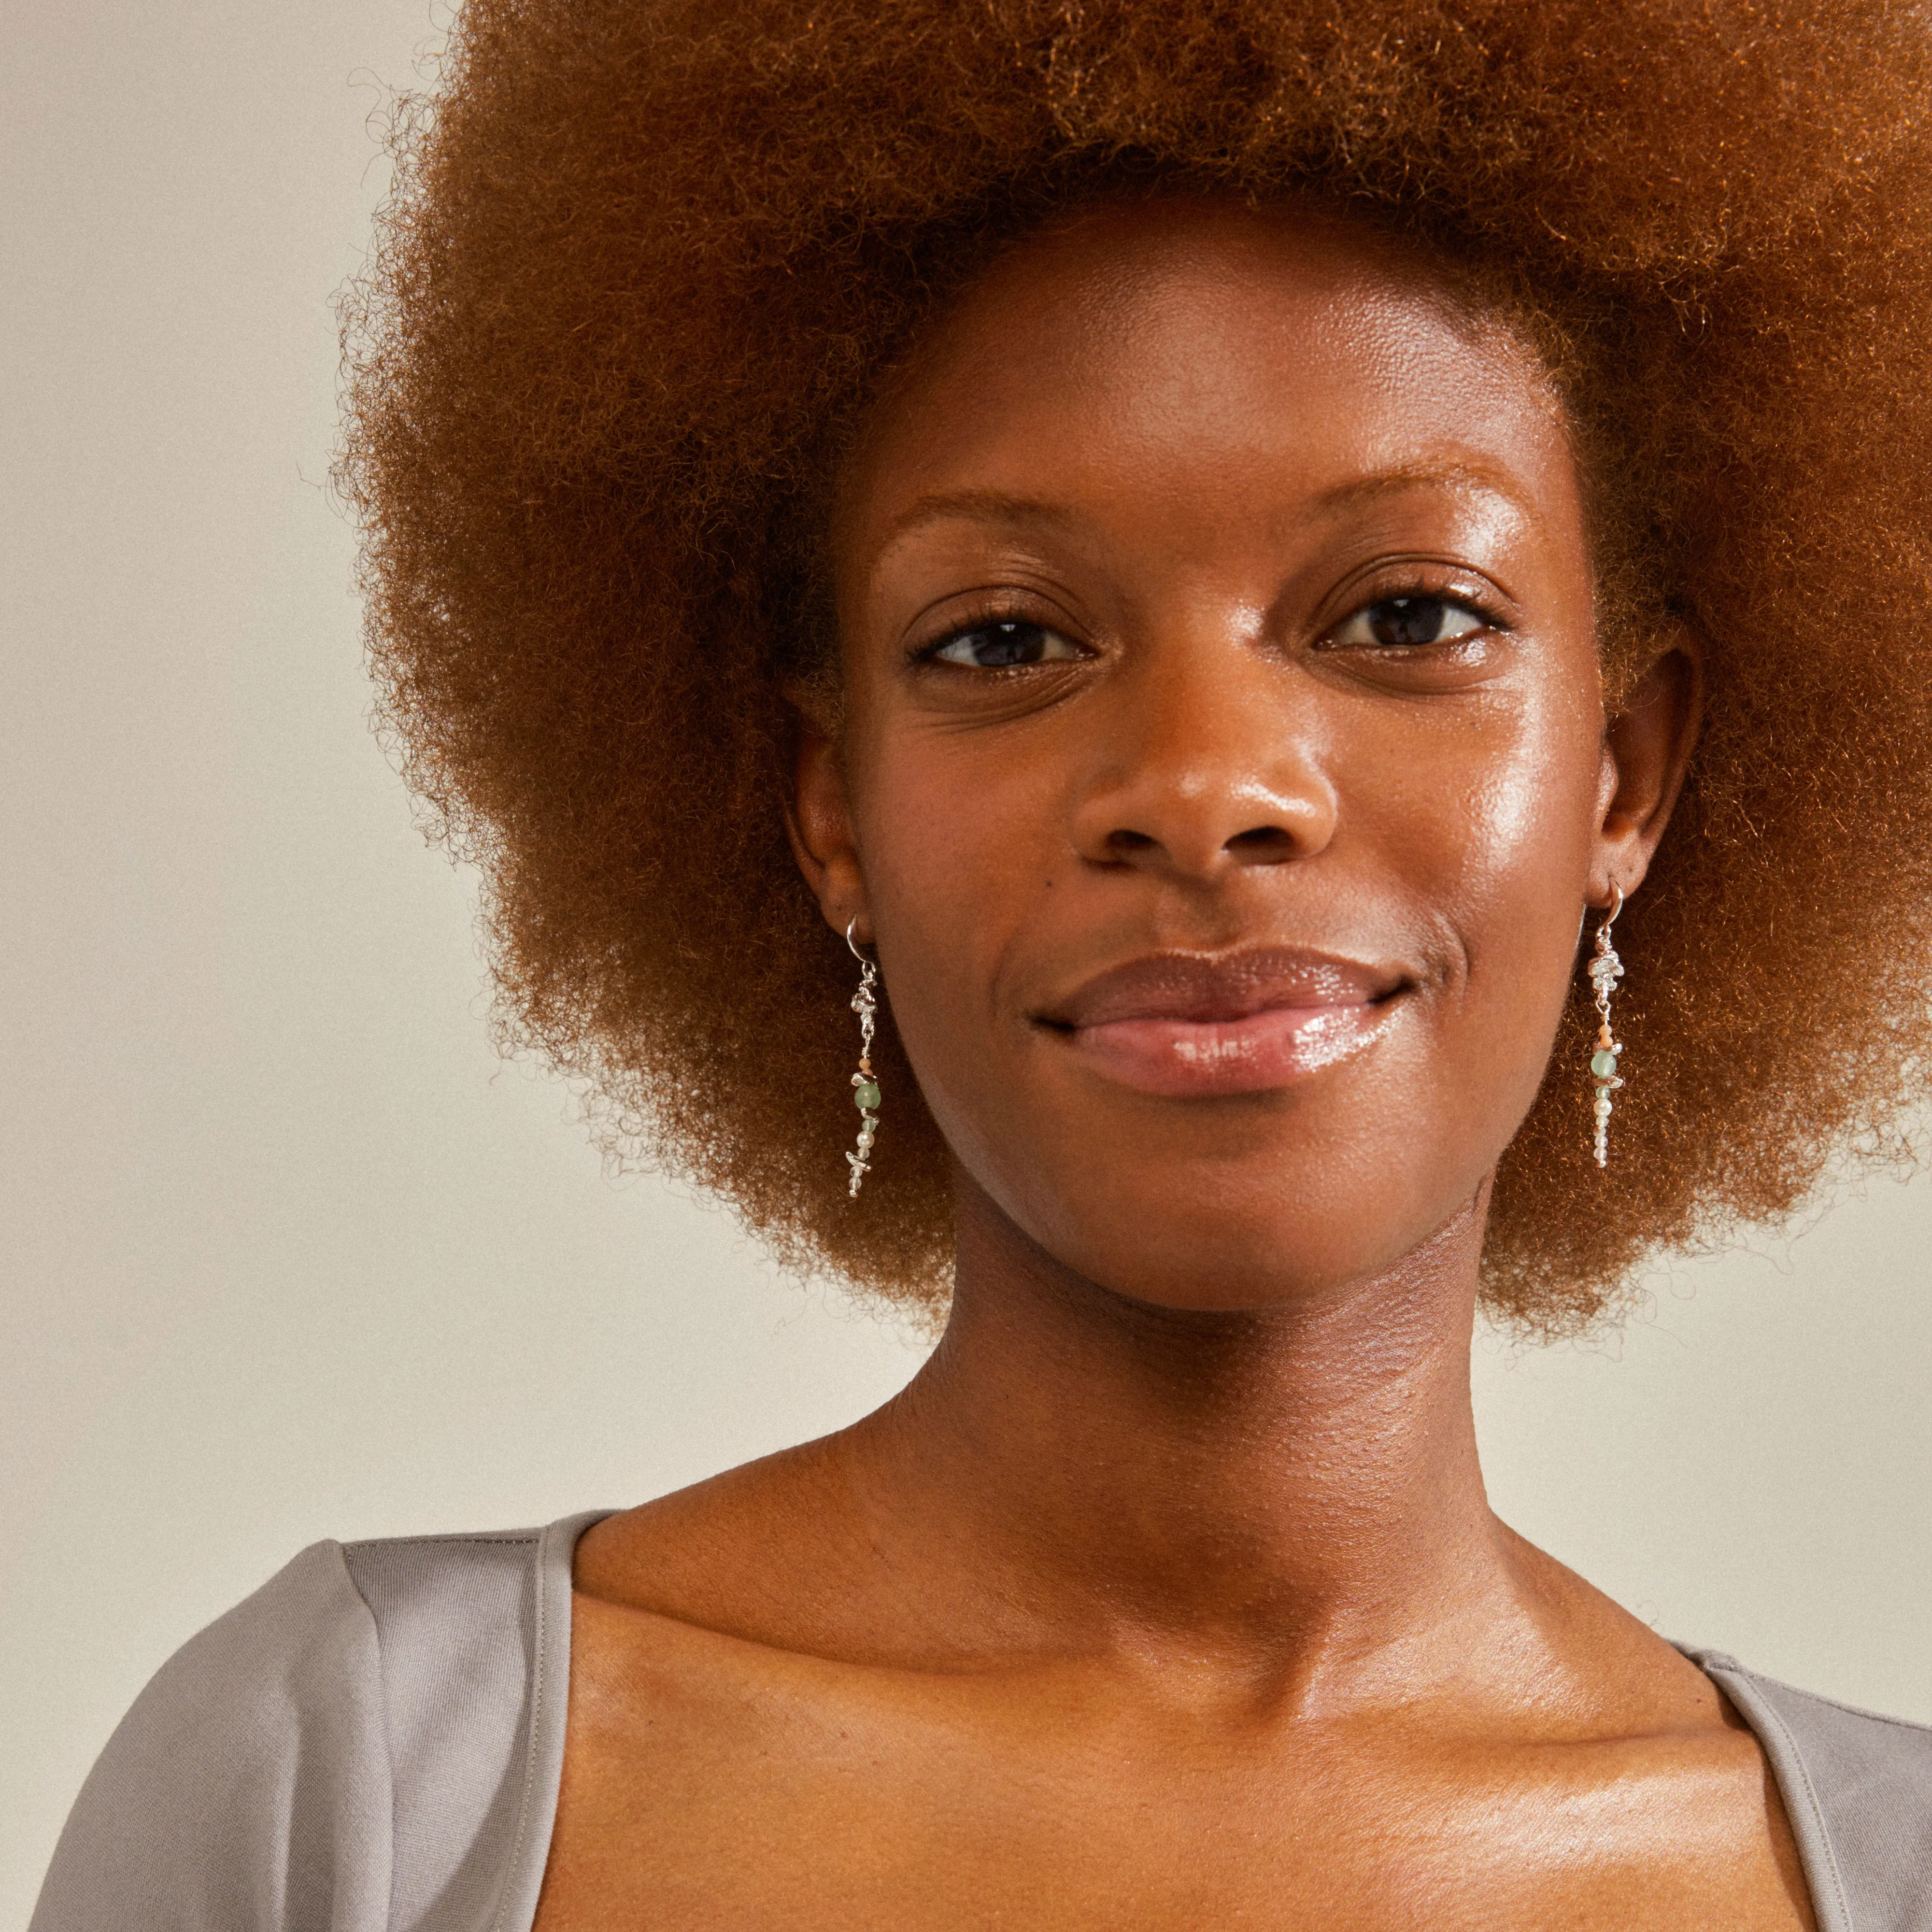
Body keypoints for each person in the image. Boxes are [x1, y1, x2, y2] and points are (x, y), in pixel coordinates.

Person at [32, 0, 1932, 1926]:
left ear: (1630, 767)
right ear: (827, 805)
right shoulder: (365, 1789)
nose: (1203, 791)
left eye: (1406, 611)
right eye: (1004, 642)